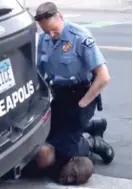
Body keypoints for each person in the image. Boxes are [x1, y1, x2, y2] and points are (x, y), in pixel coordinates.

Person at [31, 2, 115, 184]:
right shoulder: (45, 39)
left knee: (63, 151)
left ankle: (93, 143)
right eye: (46, 32)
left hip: (81, 96)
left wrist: (82, 104)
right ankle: (89, 127)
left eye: (54, 30)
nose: (51, 35)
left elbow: (104, 77)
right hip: (58, 96)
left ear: (60, 17)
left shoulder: (79, 37)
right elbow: (39, 72)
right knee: (47, 136)